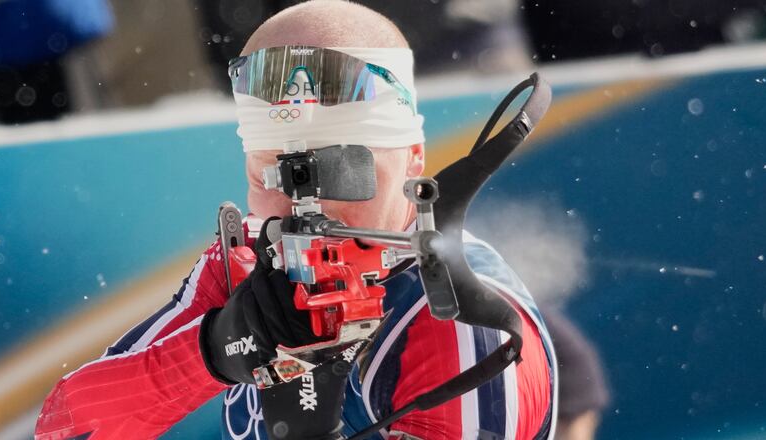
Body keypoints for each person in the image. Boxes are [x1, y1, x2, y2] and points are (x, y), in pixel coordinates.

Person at [34, 2, 557, 439]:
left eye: (343, 169)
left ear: (414, 158)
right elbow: (62, 429)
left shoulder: (455, 331)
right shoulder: (245, 264)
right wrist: (215, 350)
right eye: (271, 174)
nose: (305, 210)